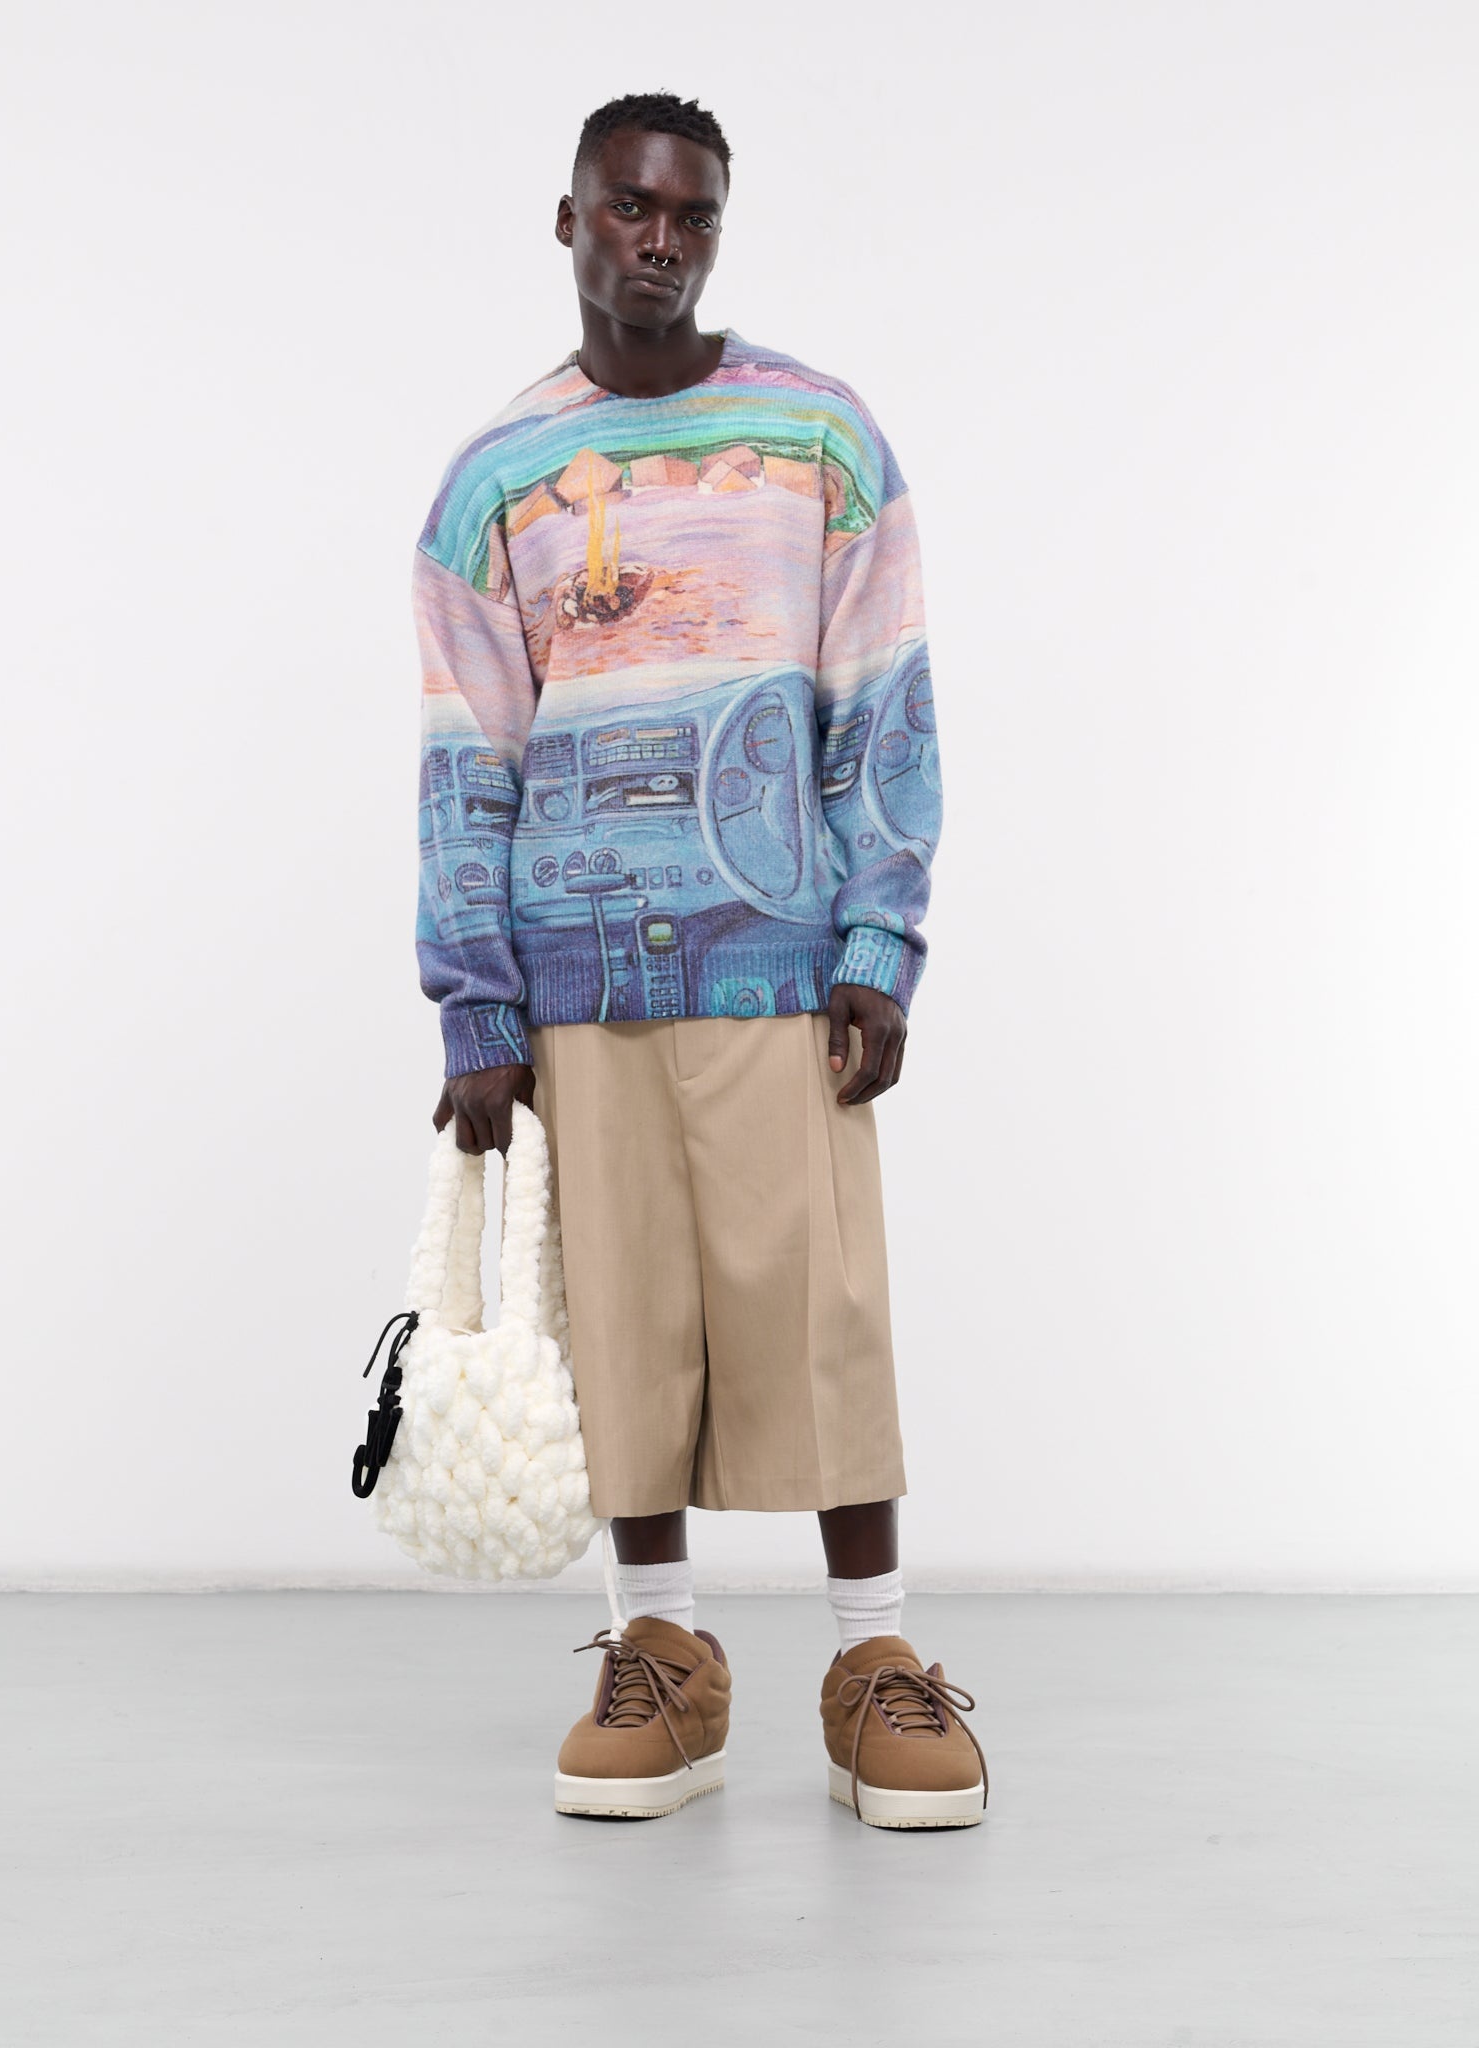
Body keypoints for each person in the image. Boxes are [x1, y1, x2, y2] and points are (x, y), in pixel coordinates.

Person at [412, 91, 985, 1830]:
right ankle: (658, 1660)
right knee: (627, 1322)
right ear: (569, 220)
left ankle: (877, 1662)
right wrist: (476, 1003)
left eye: (693, 214)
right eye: (630, 208)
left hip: (781, 968)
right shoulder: (493, 481)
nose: (661, 240)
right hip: (576, 982)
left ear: (716, 230)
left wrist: (879, 936)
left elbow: (881, 701)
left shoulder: (819, 438)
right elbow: (467, 757)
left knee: (825, 1307)